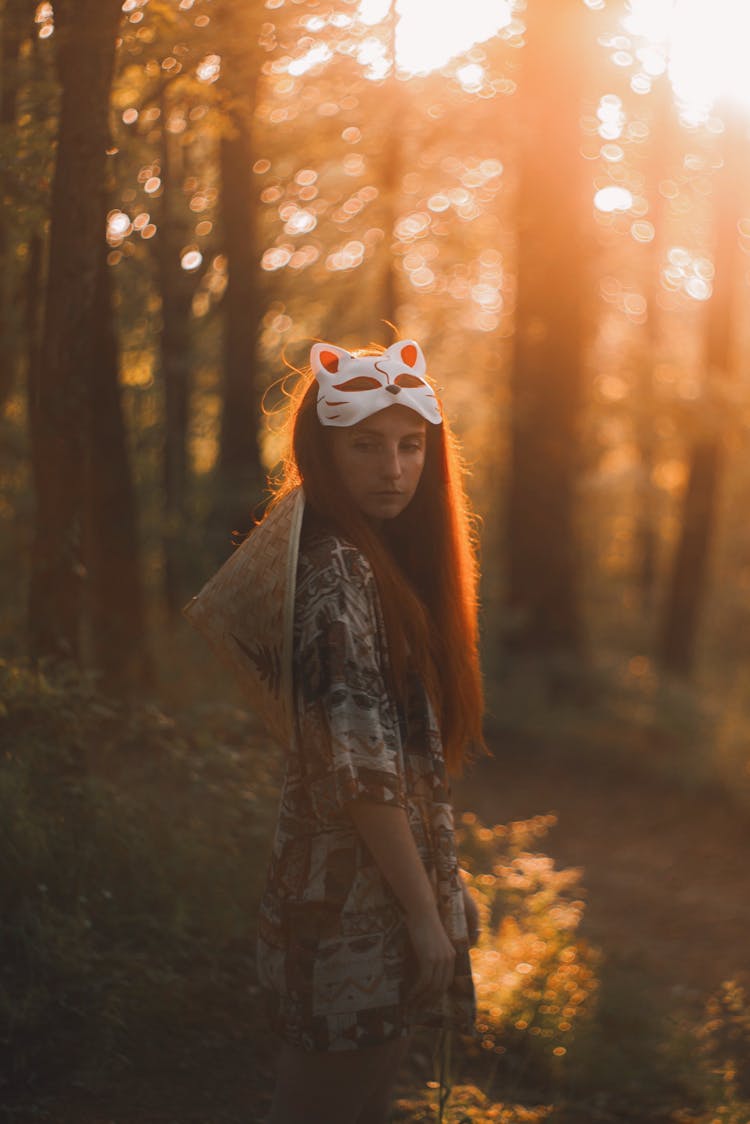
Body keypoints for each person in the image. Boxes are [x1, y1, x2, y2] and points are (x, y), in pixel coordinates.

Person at [185, 337, 486, 1124]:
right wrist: (425, 914)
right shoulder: (336, 572)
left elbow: (392, 759)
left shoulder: (371, 561)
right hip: (347, 902)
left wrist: (443, 889)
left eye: (410, 445)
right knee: (324, 1105)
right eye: (366, 446)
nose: (394, 468)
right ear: (326, 449)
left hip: (371, 891)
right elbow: (358, 769)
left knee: (359, 1099)